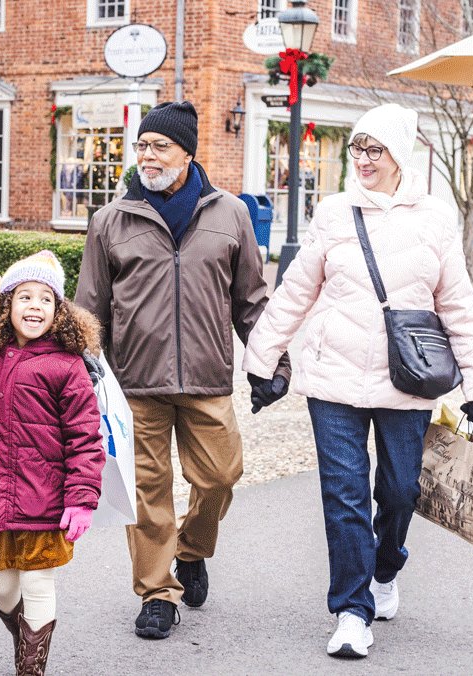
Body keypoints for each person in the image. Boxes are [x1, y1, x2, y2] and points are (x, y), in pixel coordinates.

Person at [242, 103, 473, 659]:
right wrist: (263, 361)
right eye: (357, 149)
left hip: (408, 381)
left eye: (374, 149)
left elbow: (457, 306)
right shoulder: (334, 213)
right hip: (333, 379)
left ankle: (386, 566)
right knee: (344, 494)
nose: (363, 160)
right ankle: (352, 611)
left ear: (399, 153)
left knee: (401, 490)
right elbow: (295, 292)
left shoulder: (434, 218)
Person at [75, 101, 290, 640]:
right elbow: (88, 310)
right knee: (146, 490)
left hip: (207, 377)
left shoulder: (231, 214)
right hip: (134, 385)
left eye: (159, 146)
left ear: (188, 152)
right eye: (142, 145)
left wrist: (271, 361)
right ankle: (156, 591)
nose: (147, 155)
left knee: (220, 477)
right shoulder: (110, 220)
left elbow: (251, 300)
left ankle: (191, 550)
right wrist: (82, 375)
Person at [0, 250, 106, 675]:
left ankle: (31, 666)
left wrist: (81, 499)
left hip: (44, 498)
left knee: (38, 582)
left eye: (45, 299)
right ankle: (27, 632)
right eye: (24, 297)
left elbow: (85, 437)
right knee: (1, 587)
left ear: (59, 311)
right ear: (6, 304)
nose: (34, 307)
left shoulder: (67, 365)